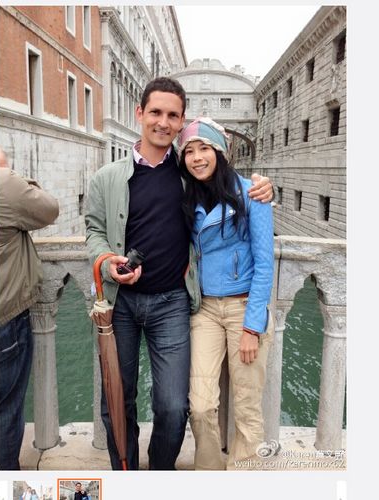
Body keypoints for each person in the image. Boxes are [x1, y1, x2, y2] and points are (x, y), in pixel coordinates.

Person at [85, 77, 273, 470]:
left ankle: (160, 473)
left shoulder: (190, 171)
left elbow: (226, 184)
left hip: (173, 303)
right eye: (155, 112)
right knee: (117, 398)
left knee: (174, 406)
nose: (163, 122)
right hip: (121, 303)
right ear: (140, 113)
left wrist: (261, 187)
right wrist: (106, 260)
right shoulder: (106, 177)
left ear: (181, 121)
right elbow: (94, 230)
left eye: (172, 115)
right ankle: (125, 474)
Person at [177, 117, 275, 470]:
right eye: (189, 151)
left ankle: (244, 476)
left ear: (220, 152)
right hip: (203, 310)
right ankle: (209, 473)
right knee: (201, 405)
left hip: (243, 307)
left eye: (204, 148)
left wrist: (252, 327)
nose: (197, 157)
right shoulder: (185, 195)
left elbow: (265, 264)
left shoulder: (252, 193)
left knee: (247, 407)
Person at [0, 146, 59, 470]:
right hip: (3, 320)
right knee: (4, 411)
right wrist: (10, 175)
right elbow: (49, 209)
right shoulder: (1, 183)